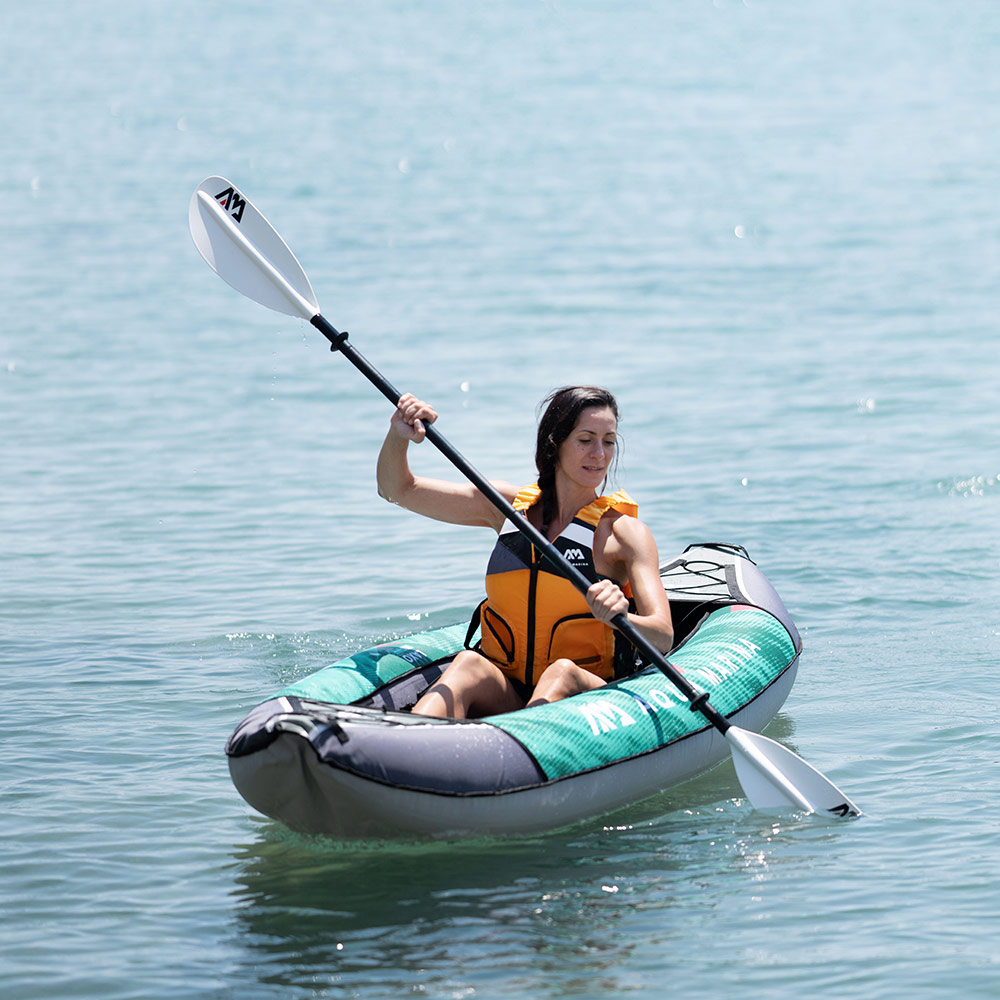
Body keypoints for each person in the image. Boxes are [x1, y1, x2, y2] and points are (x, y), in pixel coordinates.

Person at [376, 385, 674, 719]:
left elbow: (662, 636)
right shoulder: (507, 508)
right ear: (555, 443)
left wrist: (620, 617)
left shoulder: (623, 534)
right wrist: (398, 435)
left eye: (609, 441)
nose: (599, 455)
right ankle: (409, 743)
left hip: (588, 694)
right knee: (468, 664)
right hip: (510, 691)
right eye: (586, 440)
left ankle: (517, 751)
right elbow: (397, 490)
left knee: (561, 672)